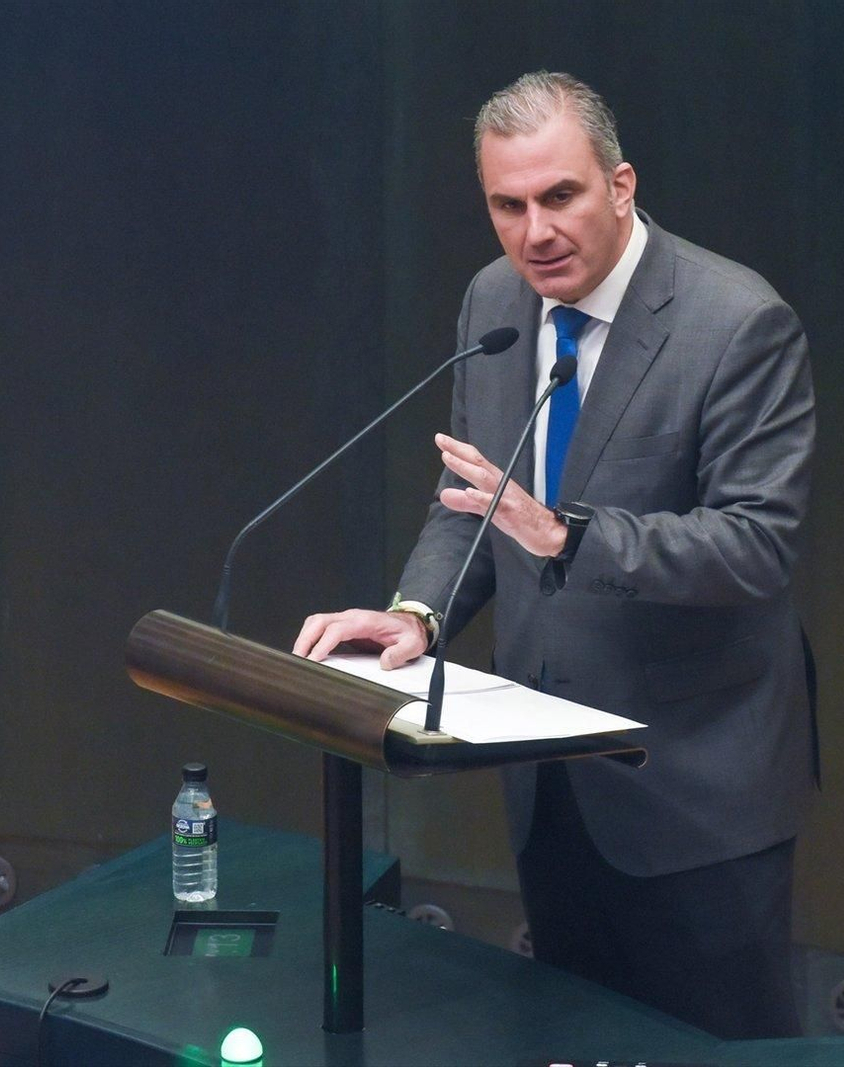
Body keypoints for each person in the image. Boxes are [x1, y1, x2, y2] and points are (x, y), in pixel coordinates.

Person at [294, 71, 816, 1039]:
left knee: (713, 1049)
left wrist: (568, 535)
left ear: (619, 185)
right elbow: (473, 502)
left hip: (694, 782)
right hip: (548, 773)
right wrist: (416, 614)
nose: (535, 231)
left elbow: (755, 544)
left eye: (559, 196)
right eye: (508, 205)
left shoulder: (736, 322)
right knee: (573, 1038)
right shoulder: (495, 300)